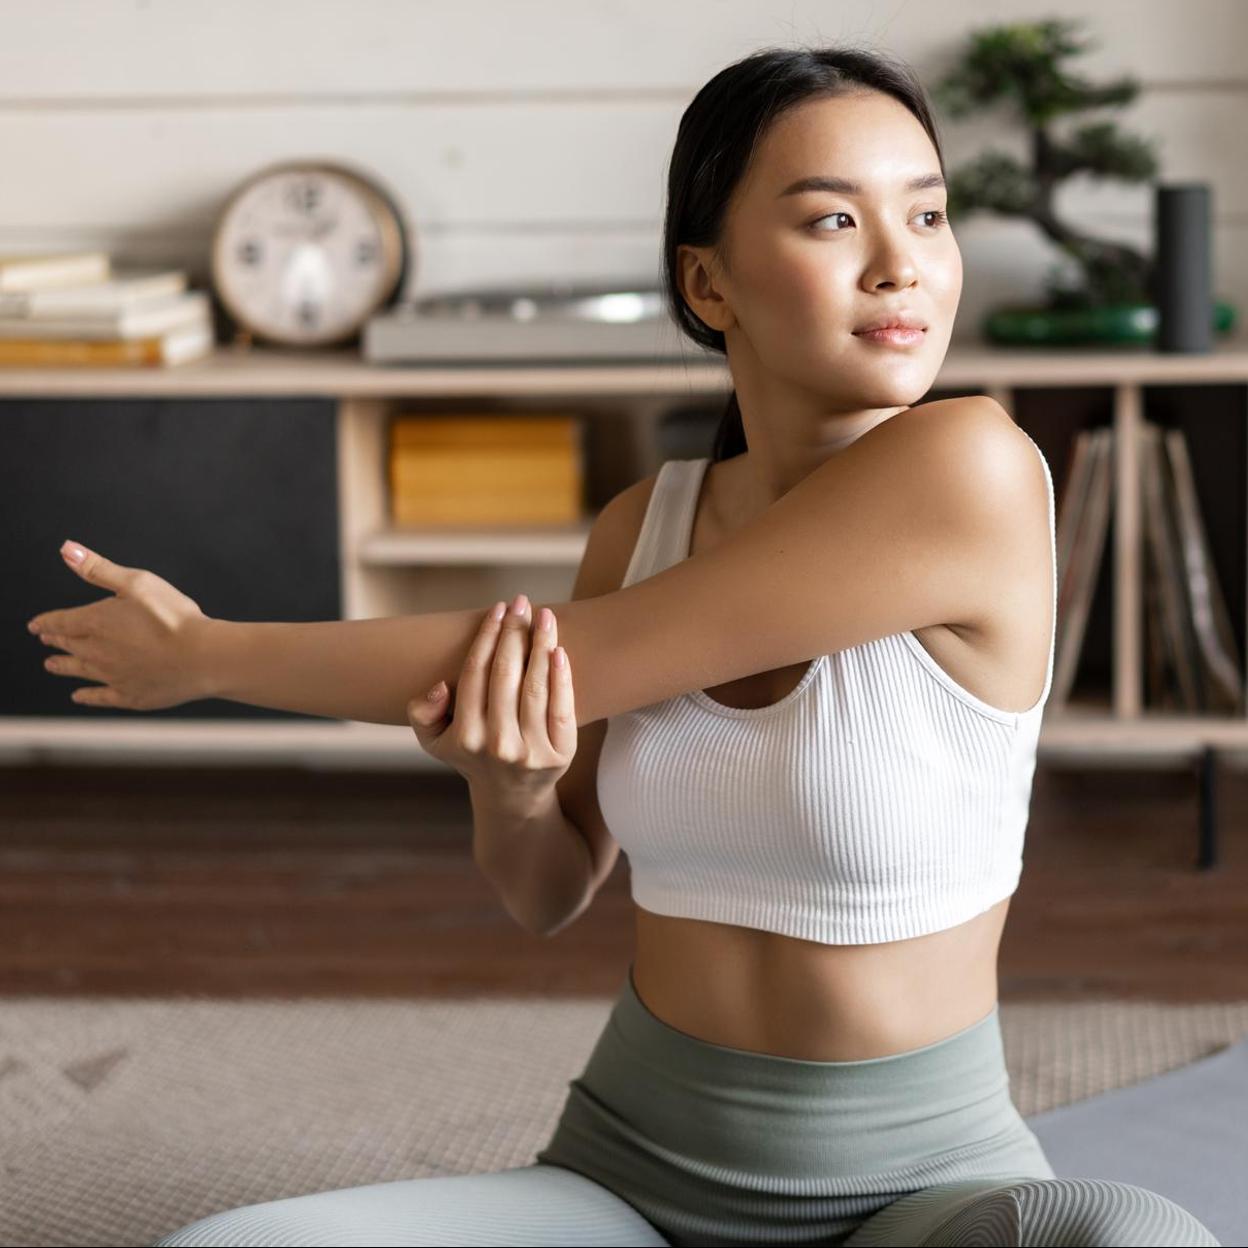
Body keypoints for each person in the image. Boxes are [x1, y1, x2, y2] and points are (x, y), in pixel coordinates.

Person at [29, 45, 1221, 1248]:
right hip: (631, 1186)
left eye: (927, 212)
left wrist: (208, 655)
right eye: (832, 221)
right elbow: (549, 891)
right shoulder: (640, 528)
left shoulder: (972, 468)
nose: (902, 262)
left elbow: (571, 659)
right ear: (709, 286)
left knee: (1132, 1237)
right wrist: (511, 785)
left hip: (920, 1201)